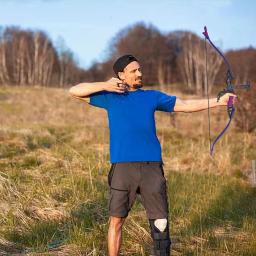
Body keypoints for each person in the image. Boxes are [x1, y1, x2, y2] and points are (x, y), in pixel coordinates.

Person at [69, 54, 236, 256]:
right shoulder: (109, 97)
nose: (140, 73)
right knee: (116, 221)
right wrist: (105, 85)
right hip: (123, 167)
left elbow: (184, 105)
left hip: (151, 167)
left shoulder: (151, 96)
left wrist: (219, 102)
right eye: (134, 71)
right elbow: (74, 91)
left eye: (140, 69)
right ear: (121, 75)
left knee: (161, 224)